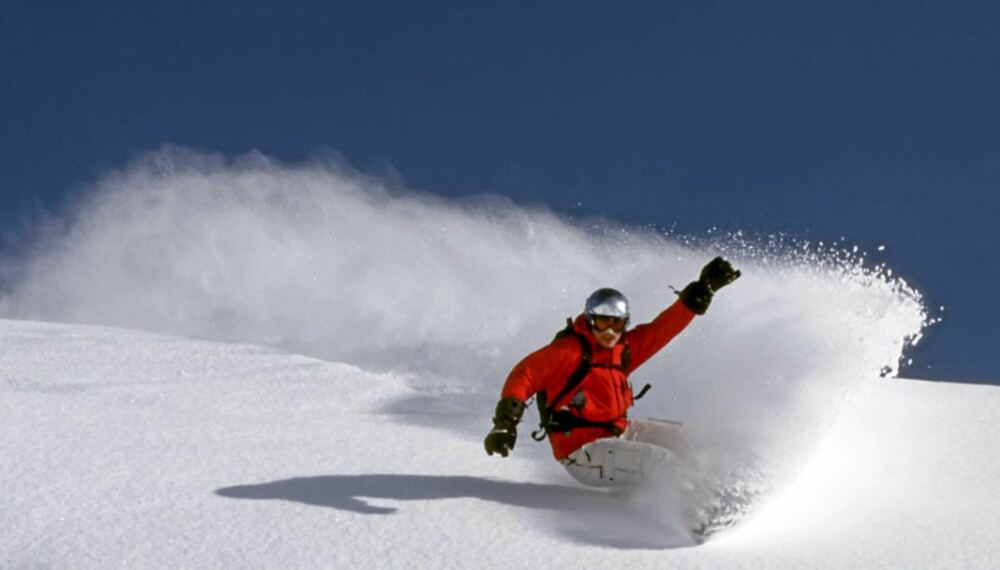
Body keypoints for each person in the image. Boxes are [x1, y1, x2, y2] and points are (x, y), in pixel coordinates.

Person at [484, 257, 740, 487]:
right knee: (663, 462)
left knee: (688, 440)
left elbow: (661, 330)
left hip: (618, 432)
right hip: (583, 450)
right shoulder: (570, 351)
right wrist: (505, 424)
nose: (609, 331)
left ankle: (729, 482)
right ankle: (701, 515)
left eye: (616, 323)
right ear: (589, 319)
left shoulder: (622, 350)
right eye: (603, 322)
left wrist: (702, 289)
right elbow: (525, 375)